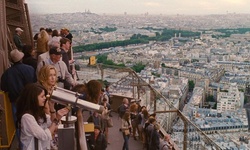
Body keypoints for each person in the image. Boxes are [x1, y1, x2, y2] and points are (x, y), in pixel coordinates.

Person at [16, 83, 69, 150]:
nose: (44, 98)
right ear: (33, 98)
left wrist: (52, 108)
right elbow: (44, 136)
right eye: (42, 96)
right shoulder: (27, 117)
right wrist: (57, 119)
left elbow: (51, 125)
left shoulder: (39, 113)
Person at [1, 49, 36, 127]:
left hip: (15, 100)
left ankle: (21, 138)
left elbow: (4, 87)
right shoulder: (30, 69)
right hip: (29, 98)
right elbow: (34, 83)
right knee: (32, 121)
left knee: (18, 123)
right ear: (21, 58)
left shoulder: (7, 73)